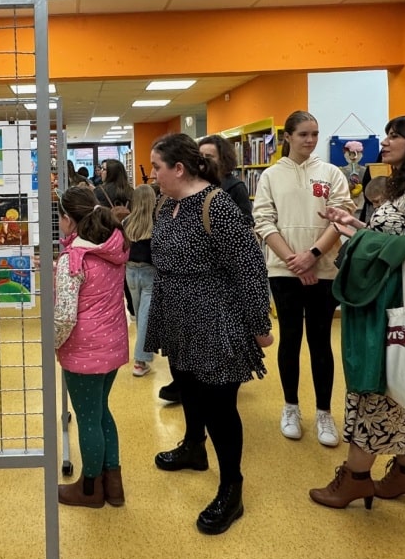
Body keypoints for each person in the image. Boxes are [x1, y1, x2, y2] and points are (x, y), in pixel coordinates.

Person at [312, 113, 405, 511]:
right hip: (393, 298)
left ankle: (356, 477)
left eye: (396, 136)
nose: (386, 141)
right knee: (403, 382)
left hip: (400, 303)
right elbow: (396, 238)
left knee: (378, 384)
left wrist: (370, 243)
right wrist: (354, 226)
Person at [144, 133, 274, 535]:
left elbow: (249, 267)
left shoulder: (216, 205)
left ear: (179, 168)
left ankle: (231, 487)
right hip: (177, 315)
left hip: (215, 318)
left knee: (219, 405)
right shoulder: (166, 204)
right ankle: (193, 447)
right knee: (187, 386)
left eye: (157, 167)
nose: (152, 174)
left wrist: (260, 325)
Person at [251, 110, 353, 448]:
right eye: (303, 134)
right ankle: (290, 407)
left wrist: (312, 255)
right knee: (291, 338)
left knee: (321, 341)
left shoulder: (331, 173)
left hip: (323, 269)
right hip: (284, 272)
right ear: (288, 137)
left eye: (314, 134)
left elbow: (341, 218)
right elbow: (264, 221)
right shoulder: (270, 176)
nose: (310, 140)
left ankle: (324, 412)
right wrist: (294, 262)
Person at [53, 185, 130, 509]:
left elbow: (64, 317)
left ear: (69, 220)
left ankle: (89, 489)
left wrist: (51, 343)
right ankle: (113, 485)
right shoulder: (113, 248)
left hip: (83, 351)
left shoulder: (73, 260)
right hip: (112, 345)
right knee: (101, 412)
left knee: (87, 418)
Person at [123, 185, 158, 377]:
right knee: (145, 317)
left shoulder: (127, 222)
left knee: (140, 314)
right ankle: (140, 361)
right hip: (149, 272)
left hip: (130, 271)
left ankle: (142, 355)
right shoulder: (156, 222)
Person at [197, 134, 253, 219]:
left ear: (222, 159)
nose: (203, 160)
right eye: (201, 156)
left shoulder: (236, 187)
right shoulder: (195, 183)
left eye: (209, 157)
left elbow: (247, 220)